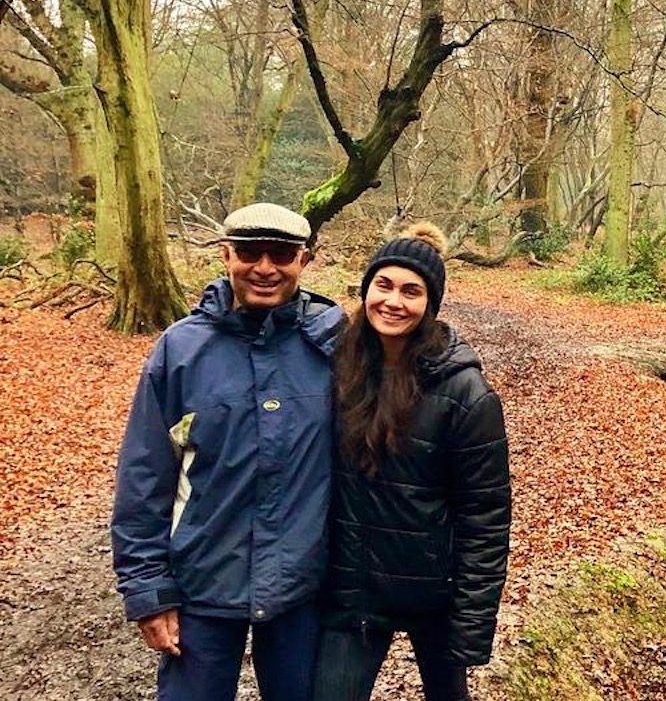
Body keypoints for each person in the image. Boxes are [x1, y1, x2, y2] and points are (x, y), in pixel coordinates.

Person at [111, 202, 346, 701]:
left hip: (301, 586)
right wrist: (147, 592)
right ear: (226, 255)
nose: (265, 267)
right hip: (203, 580)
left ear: (304, 259)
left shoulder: (333, 347)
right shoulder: (181, 350)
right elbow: (144, 476)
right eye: (249, 253)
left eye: (280, 254)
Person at [313, 222, 511, 701]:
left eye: (411, 291)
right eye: (383, 285)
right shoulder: (337, 368)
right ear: (366, 290)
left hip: (434, 595)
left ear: (430, 305)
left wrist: (470, 626)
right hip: (354, 591)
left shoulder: (466, 394)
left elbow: (484, 518)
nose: (393, 301)